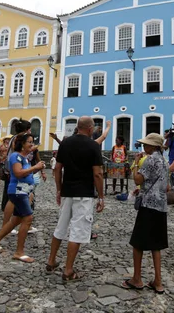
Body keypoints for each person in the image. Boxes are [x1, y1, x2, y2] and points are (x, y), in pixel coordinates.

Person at [46, 116, 104, 281]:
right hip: (84, 193)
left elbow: (57, 169)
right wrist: (101, 196)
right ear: (90, 129)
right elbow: (98, 173)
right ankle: (68, 270)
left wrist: (59, 189)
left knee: (61, 227)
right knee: (77, 231)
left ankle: (51, 261)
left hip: (67, 191)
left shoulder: (65, 143)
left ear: (78, 127)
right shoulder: (93, 146)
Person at [122, 133, 168, 294]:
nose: (143, 146)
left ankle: (137, 279)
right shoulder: (163, 160)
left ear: (154, 146)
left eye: (146, 144)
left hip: (148, 204)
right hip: (161, 205)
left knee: (138, 243)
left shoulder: (150, 159)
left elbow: (138, 179)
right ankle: (158, 281)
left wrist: (135, 164)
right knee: (156, 245)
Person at [0, 133, 46, 262]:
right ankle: (19, 252)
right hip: (18, 191)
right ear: (22, 144)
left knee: (16, 220)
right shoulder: (16, 156)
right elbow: (18, 173)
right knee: (28, 218)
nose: (32, 144)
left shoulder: (24, 158)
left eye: (32, 141)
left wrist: (37, 169)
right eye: (29, 142)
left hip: (23, 191)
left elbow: (25, 173)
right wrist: (35, 167)